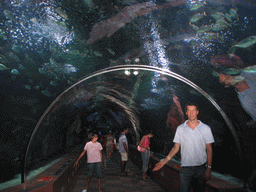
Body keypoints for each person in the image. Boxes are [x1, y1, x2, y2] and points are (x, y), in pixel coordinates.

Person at [153, 102, 215, 192]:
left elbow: (209, 149)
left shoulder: (206, 128)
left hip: (201, 169)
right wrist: (164, 162)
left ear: (197, 112)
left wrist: (209, 168)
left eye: (193, 110)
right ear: (186, 112)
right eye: (189, 111)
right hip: (186, 169)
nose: (191, 113)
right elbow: (175, 148)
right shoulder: (181, 129)